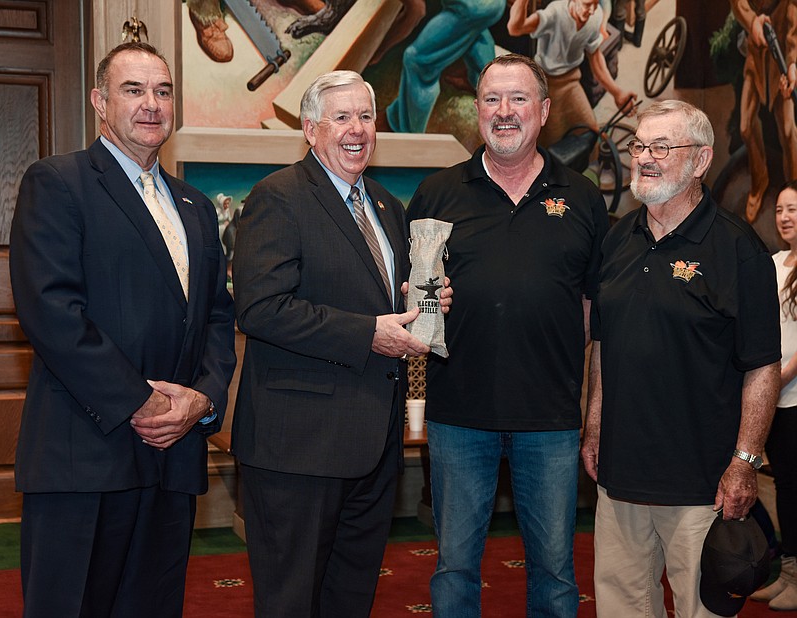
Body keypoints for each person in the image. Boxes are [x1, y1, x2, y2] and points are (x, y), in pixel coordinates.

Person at [9, 41, 237, 617]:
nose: (151, 105)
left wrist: (203, 399)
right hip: (85, 454)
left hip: (172, 458)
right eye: (133, 90)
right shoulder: (58, 182)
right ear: (100, 102)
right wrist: (139, 403)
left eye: (162, 91)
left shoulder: (194, 206)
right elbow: (51, 311)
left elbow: (215, 314)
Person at [231, 70, 452, 618]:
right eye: (342, 117)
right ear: (310, 129)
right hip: (297, 449)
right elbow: (260, 308)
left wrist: (428, 299)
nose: (358, 130)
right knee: (290, 601)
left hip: (373, 446)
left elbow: (387, 295)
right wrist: (368, 334)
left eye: (367, 116)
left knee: (351, 599)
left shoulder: (385, 206)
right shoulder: (277, 197)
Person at [406, 53, 609, 617]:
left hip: (550, 419)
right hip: (457, 416)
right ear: (478, 112)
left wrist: (591, 412)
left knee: (555, 571)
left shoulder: (584, 199)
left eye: (518, 99)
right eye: (491, 99)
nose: (504, 112)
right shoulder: (438, 193)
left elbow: (594, 315)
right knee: (453, 568)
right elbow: (412, 298)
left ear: (543, 111)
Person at [581, 99, 781, 617]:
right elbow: (604, 345)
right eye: (639, 146)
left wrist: (744, 463)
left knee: (700, 609)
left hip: (703, 484)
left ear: (700, 161)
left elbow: (763, 367)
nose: (644, 158)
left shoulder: (739, 250)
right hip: (620, 476)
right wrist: (595, 425)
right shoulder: (618, 239)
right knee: (621, 606)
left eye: (661, 148)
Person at [750, 180, 797, 611]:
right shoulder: (776, 262)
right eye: (780, 210)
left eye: (793, 209)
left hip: (793, 393)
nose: (784, 217)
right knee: (785, 487)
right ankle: (788, 571)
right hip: (777, 397)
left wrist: (779, 377)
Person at [507, 0, 636, 149]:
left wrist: (617, 92)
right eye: (588, 4)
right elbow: (516, 28)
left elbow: (595, 57)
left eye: (595, 4)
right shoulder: (555, 13)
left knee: (590, 131)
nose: (592, 10)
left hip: (571, 82)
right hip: (546, 85)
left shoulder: (595, 17)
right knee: (550, 141)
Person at [383, 0, 506, 133]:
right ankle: (495, 94)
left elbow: (417, 11)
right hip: (490, 4)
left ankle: (408, 133)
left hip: (475, 8)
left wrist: (380, 51)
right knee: (472, 30)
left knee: (416, 61)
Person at [729, 0, 797, 223]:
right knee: (746, 127)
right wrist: (752, 22)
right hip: (756, 58)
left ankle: (794, 189)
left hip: (783, 61)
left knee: (788, 131)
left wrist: (793, 63)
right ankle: (760, 183)